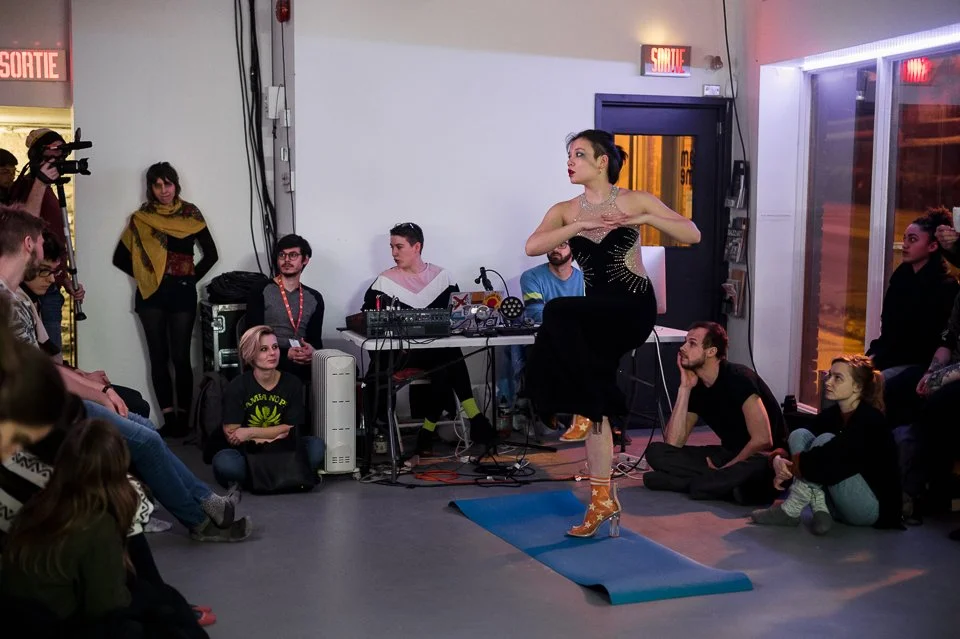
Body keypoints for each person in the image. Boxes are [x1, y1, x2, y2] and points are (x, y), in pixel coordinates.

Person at [2, 205, 250, 543]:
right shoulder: (6, 300)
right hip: (35, 414)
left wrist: (94, 387)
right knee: (146, 439)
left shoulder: (15, 297)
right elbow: (38, 374)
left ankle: (209, 504)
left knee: (144, 427)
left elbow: (46, 366)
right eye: (43, 245)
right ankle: (202, 520)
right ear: (29, 244)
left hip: (47, 402)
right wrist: (99, 393)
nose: (45, 255)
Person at [524, 129, 701, 537]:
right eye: (569, 155)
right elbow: (533, 246)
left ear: (602, 161)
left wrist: (646, 219)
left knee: (557, 310)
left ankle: (562, 403)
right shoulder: (565, 209)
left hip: (633, 308)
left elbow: (692, 233)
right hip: (598, 315)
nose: (570, 162)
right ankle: (602, 499)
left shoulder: (634, 200)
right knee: (595, 399)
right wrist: (578, 225)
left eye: (579, 155)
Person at [0, 419, 210, 637]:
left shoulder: (40, 502)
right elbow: (107, 608)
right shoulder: (96, 523)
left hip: (21, 615)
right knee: (160, 609)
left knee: (159, 598)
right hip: (57, 623)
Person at [361, 222, 496, 455]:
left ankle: (433, 429)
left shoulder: (442, 278)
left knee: (448, 357)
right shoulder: (384, 282)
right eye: (391, 247)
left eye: (399, 247)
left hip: (435, 351)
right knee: (446, 361)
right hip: (401, 354)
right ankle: (471, 419)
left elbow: (455, 317)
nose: (393, 253)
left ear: (417, 247)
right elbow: (369, 318)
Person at [113, 162, 219, 437]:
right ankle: (169, 419)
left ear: (176, 185)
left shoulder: (190, 214)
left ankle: (184, 420)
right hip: (151, 295)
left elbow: (211, 254)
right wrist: (148, 276)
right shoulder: (141, 218)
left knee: (180, 357)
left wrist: (189, 279)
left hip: (182, 292)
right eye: (157, 185)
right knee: (158, 358)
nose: (163, 190)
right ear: (150, 188)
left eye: (167, 184)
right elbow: (120, 258)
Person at [751, 355, 903, 533]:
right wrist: (778, 459)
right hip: (838, 505)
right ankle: (820, 510)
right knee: (799, 435)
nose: (828, 382)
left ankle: (791, 509)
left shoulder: (870, 420)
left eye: (838, 378)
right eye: (830, 375)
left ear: (857, 387)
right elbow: (799, 443)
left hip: (870, 510)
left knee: (825, 442)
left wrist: (790, 467)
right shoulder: (833, 414)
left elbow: (832, 458)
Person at [642, 322, 785, 504]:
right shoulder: (697, 386)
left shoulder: (739, 378)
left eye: (692, 343)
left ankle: (692, 483)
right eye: (685, 342)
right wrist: (685, 388)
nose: (682, 348)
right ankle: (716, 485)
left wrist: (727, 469)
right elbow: (673, 443)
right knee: (656, 452)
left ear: (711, 351)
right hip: (729, 454)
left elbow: (763, 440)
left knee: (751, 483)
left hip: (766, 458)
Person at [866, 208, 959, 428]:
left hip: (917, 362)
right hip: (890, 355)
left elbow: (938, 339)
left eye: (913, 239)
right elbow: (889, 329)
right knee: (844, 375)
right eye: (905, 238)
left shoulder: (945, 287)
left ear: (932, 246)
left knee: (877, 386)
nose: (905, 245)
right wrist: (872, 356)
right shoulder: (900, 279)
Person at [211, 325, 326, 489]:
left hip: (284, 449)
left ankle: (259, 479)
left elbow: (291, 430)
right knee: (225, 462)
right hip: (251, 453)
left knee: (316, 447)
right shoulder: (237, 386)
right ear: (250, 354)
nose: (272, 353)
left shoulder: (292, 383)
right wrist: (275, 434)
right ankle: (286, 476)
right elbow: (232, 434)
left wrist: (250, 433)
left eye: (275, 347)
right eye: (264, 349)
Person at [6, 129, 85, 349]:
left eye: (63, 153)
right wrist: (40, 182)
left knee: (52, 352)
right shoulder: (26, 187)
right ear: (37, 155)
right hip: (30, 284)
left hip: (49, 286)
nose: (59, 158)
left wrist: (63, 278)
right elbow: (25, 228)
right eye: (54, 152)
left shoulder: (47, 189)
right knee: (40, 356)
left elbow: (53, 239)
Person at [244, 234, 324, 384]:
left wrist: (311, 352)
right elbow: (253, 335)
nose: (286, 260)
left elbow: (316, 341)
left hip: (301, 361)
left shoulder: (314, 298)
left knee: (336, 369)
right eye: (282, 255)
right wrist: (286, 353)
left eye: (293, 255)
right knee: (286, 372)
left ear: (305, 259)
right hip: (269, 356)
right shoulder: (261, 289)